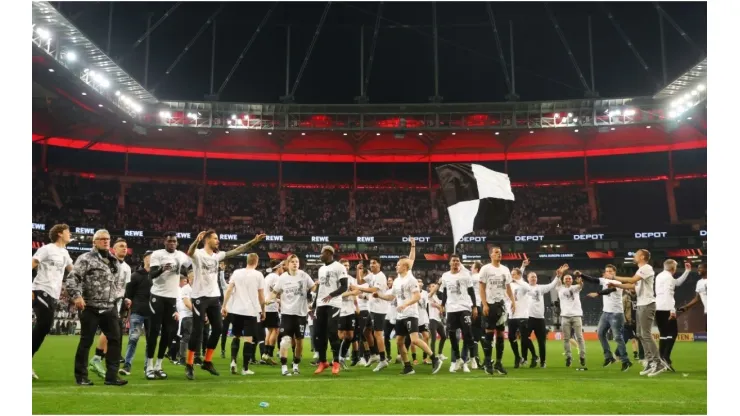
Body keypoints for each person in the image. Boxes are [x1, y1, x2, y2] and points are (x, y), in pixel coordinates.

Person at [184, 231, 266, 380]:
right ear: (207, 239)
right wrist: (196, 240)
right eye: (215, 238)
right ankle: (189, 364)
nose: (218, 241)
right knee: (197, 331)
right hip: (199, 297)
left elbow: (237, 250)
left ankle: (207, 361)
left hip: (214, 297)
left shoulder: (217, 256)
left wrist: (254, 241)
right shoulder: (199, 254)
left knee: (218, 328)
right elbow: (190, 252)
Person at [63, 229, 128, 386]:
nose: (105, 241)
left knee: (115, 340)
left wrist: (120, 298)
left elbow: (114, 283)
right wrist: (77, 296)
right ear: (94, 242)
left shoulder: (113, 260)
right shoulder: (85, 258)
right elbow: (73, 278)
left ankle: (111, 377)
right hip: (90, 306)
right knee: (86, 341)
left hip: (109, 306)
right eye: (101, 239)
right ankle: (81, 377)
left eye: (107, 239)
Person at [379, 242, 442, 375]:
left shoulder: (411, 279)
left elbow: (417, 296)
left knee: (414, 340)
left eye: (398, 264)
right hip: (400, 315)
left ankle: (434, 358)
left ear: (405, 267)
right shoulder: (396, 281)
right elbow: (391, 297)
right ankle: (408, 366)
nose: (396, 266)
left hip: (411, 314)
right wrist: (379, 295)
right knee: (399, 341)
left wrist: (405, 304)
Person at [609, 249, 667, 377]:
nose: (634, 256)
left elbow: (631, 280)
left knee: (645, 334)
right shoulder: (641, 270)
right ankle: (650, 361)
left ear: (642, 257)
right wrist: (616, 285)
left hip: (647, 304)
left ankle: (658, 363)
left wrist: (613, 277)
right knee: (640, 334)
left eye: (636, 254)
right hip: (641, 304)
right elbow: (633, 286)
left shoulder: (646, 268)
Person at [144, 232, 191, 380]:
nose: (172, 243)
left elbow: (189, 266)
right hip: (157, 296)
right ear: (164, 242)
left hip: (171, 298)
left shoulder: (181, 255)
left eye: (174, 242)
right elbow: (151, 275)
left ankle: (159, 365)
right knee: (153, 331)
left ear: (177, 243)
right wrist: (162, 269)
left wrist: (188, 273)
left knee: (168, 332)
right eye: (169, 241)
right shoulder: (157, 254)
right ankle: (149, 366)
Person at [32, 224, 74, 380]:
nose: (70, 234)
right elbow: (32, 263)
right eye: (68, 231)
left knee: (44, 327)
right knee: (44, 325)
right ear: (59, 233)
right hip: (41, 289)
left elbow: (73, 271)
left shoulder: (65, 252)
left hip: (54, 295)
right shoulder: (47, 249)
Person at [88, 238, 131, 379]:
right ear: (114, 249)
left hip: (118, 303)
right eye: (121, 246)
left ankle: (99, 359)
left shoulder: (127, 268)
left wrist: (126, 300)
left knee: (114, 333)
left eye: (125, 246)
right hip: (106, 301)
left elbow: (125, 287)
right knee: (109, 331)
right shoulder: (109, 263)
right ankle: (97, 358)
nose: (124, 248)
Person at [577, 264, 633, 371]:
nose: (608, 272)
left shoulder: (617, 282)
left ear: (614, 273)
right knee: (600, 333)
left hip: (616, 313)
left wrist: (597, 293)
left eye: (610, 271)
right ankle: (609, 357)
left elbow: (609, 290)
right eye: (606, 271)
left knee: (617, 337)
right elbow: (593, 280)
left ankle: (626, 361)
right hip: (606, 313)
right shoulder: (604, 280)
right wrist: (581, 275)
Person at [270, 254, 315, 376]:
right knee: (285, 340)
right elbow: (275, 291)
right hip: (287, 313)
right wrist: (269, 300)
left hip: (301, 314)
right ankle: (284, 367)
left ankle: (296, 365)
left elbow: (313, 286)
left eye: (297, 261)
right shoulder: (283, 278)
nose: (295, 263)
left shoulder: (304, 276)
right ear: (288, 264)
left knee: (299, 341)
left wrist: (311, 294)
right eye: (293, 262)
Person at [221, 253, 265, 375]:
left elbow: (229, 289)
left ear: (247, 260)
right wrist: (263, 310)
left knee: (236, 336)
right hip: (251, 311)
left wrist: (224, 305)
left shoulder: (236, 272)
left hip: (236, 310)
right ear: (256, 261)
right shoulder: (258, 275)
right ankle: (245, 368)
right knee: (248, 339)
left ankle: (233, 362)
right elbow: (261, 296)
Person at [479, 246, 516, 375]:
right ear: (491, 255)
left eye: (500, 252)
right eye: (496, 252)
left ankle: (499, 363)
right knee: (489, 333)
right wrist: (484, 304)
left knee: (500, 334)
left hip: (501, 305)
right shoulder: (485, 269)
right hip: (490, 304)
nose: (499, 254)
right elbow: (481, 288)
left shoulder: (505, 270)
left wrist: (513, 301)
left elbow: (508, 287)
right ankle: (488, 362)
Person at [313, 245, 349, 375]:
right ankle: (323, 362)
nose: (320, 255)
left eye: (321, 253)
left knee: (333, 333)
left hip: (334, 303)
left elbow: (345, 286)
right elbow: (320, 288)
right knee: (319, 334)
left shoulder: (339, 267)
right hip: (321, 304)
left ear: (328, 253)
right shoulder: (321, 269)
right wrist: (313, 305)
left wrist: (331, 295)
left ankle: (336, 362)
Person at [437, 254, 476, 373]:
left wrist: (474, 306)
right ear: (450, 263)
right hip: (451, 309)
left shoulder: (465, 275)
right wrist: (442, 305)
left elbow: (471, 291)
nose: (455, 262)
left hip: (464, 307)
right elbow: (444, 291)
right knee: (452, 336)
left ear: (460, 263)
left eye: (457, 261)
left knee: (467, 333)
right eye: (453, 261)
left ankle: (471, 358)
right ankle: (457, 360)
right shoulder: (445, 276)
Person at [120, 251, 154, 375]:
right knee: (133, 339)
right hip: (137, 311)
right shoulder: (136, 275)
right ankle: (127, 365)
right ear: (144, 259)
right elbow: (128, 294)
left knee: (151, 341)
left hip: (153, 313)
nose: (151, 259)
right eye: (149, 257)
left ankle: (148, 366)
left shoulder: (158, 276)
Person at [353, 257, 390, 371]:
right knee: (366, 332)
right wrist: (358, 271)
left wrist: (358, 288)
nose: (372, 265)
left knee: (378, 334)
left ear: (379, 264)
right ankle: (374, 355)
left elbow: (373, 289)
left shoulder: (381, 276)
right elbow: (360, 281)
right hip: (372, 309)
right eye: (370, 263)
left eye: (374, 263)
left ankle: (383, 359)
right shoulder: (372, 275)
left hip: (379, 309)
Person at [655, 260, 692, 372]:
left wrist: (687, 271)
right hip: (667, 308)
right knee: (673, 332)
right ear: (673, 268)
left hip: (658, 307)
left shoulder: (660, 276)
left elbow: (677, 283)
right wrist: (672, 311)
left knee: (663, 334)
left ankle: (661, 358)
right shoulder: (668, 278)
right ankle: (666, 357)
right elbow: (668, 293)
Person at [521, 269, 559, 368]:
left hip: (539, 318)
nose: (533, 278)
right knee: (524, 338)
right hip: (528, 317)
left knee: (541, 342)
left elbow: (551, 285)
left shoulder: (540, 288)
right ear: (527, 278)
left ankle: (543, 361)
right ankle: (527, 358)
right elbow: (518, 278)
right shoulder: (525, 287)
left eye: (535, 277)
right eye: (531, 276)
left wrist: (558, 276)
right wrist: (523, 267)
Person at [557, 270, 586, 369]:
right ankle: (568, 357)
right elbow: (557, 280)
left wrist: (580, 282)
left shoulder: (575, 288)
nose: (568, 280)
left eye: (569, 278)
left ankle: (582, 356)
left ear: (572, 280)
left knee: (579, 337)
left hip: (576, 315)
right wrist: (560, 273)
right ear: (563, 280)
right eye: (566, 278)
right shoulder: (559, 288)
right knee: (566, 338)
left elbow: (581, 285)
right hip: (565, 316)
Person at [507, 267, 533, 369]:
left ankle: (531, 356)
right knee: (510, 337)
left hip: (522, 315)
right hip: (512, 315)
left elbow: (529, 288)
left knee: (524, 338)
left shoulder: (523, 284)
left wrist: (517, 280)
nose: (512, 276)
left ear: (519, 275)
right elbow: (506, 298)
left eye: (514, 274)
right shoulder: (509, 285)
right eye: (511, 274)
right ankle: (517, 357)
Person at [337, 259, 360, 369]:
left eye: (347, 265)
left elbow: (357, 293)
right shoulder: (337, 280)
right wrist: (351, 292)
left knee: (350, 336)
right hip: (340, 310)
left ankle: (341, 357)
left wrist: (357, 306)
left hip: (350, 310)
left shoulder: (352, 279)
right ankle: (337, 358)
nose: (346, 266)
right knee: (341, 336)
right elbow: (338, 295)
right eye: (344, 265)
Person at [262, 259, 283, 365]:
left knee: (270, 331)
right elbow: (277, 291)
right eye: (282, 267)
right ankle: (269, 354)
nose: (283, 269)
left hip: (266, 307)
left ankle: (265, 354)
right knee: (275, 330)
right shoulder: (276, 277)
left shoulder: (268, 276)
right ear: (278, 267)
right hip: (271, 307)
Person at [426, 282, 448, 361]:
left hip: (438, 320)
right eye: (432, 286)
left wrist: (439, 307)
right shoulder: (429, 296)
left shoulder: (438, 298)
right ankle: (433, 357)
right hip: (432, 319)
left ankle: (440, 354)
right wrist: (440, 307)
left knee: (444, 337)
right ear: (429, 288)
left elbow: (443, 309)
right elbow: (439, 307)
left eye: (434, 286)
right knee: (434, 339)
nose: (434, 287)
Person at [416, 279, 432, 365]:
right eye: (417, 281)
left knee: (426, 336)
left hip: (424, 318)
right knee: (412, 339)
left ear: (422, 284)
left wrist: (428, 317)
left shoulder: (425, 293)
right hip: (414, 317)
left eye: (421, 281)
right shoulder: (413, 292)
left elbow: (427, 306)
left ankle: (425, 358)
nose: (419, 282)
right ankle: (413, 358)